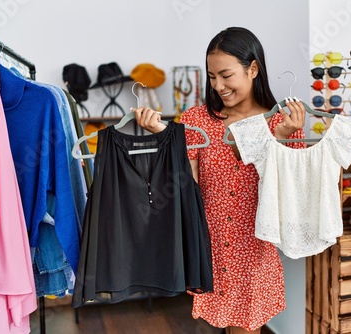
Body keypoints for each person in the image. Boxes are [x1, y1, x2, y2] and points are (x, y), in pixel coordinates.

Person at [132, 26, 307, 334]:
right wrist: (166, 138)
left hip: (255, 248)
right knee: (227, 325)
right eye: (212, 77)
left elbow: (291, 191)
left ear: (253, 68)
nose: (219, 86)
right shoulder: (196, 120)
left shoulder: (282, 122)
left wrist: (278, 139)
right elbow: (187, 186)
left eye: (226, 75)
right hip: (210, 244)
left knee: (245, 326)